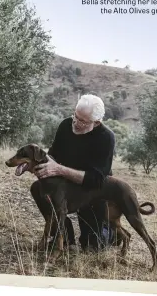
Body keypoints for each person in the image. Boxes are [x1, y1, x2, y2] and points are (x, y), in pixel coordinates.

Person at [31, 94, 115, 251]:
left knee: (92, 247)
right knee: (37, 188)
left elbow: (96, 180)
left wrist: (60, 169)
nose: (76, 123)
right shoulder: (66, 125)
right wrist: (43, 166)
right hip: (66, 184)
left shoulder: (106, 138)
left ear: (96, 122)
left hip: (91, 191)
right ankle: (64, 234)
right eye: (75, 116)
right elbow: (53, 154)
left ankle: (108, 232)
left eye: (82, 121)